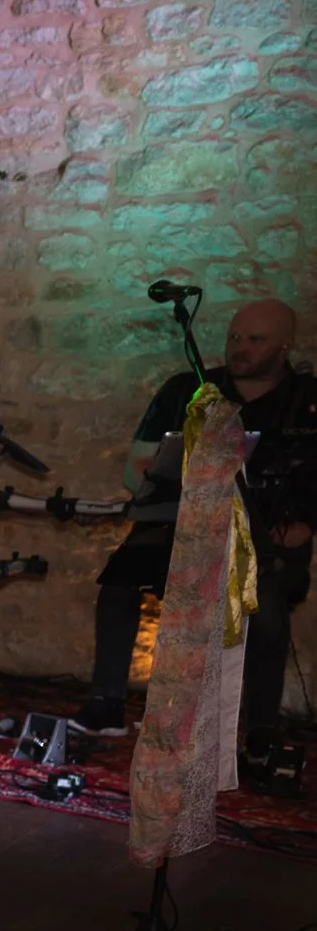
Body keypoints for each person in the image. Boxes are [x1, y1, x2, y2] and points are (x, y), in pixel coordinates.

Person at [75, 300, 315, 761]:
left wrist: (305, 525)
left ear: (286, 346)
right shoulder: (188, 389)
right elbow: (136, 470)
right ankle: (106, 703)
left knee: (264, 606)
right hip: (181, 526)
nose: (240, 348)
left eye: (256, 339)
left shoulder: (306, 401)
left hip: (264, 537)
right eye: (235, 337)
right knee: (120, 579)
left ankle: (261, 730)